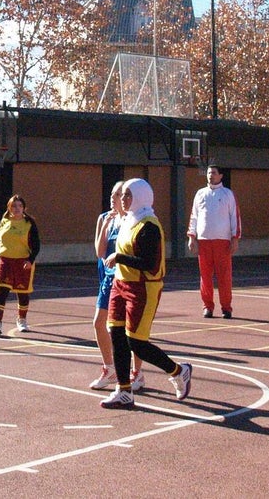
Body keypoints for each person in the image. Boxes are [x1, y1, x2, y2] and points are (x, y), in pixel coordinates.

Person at [100, 178, 192, 410]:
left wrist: (120, 258)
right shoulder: (127, 221)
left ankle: (179, 371)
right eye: (122, 195)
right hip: (120, 284)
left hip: (143, 287)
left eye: (128, 195)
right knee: (117, 335)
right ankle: (124, 390)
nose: (123, 199)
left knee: (137, 343)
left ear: (142, 196)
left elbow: (150, 264)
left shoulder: (149, 226)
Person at [89, 181, 144, 391]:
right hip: (107, 277)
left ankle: (137, 372)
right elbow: (99, 251)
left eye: (119, 194)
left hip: (125, 278)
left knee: (130, 328)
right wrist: (105, 224)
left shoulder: (132, 220)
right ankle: (109, 368)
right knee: (99, 323)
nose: (114, 197)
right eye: (112, 193)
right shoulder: (104, 218)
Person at [187, 163, 242, 319]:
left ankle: (226, 308)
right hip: (204, 241)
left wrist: (235, 238)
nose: (210, 175)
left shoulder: (228, 194)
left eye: (214, 173)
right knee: (205, 276)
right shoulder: (200, 194)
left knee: (224, 276)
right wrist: (192, 237)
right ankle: (207, 307)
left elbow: (235, 218)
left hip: (222, 242)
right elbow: (194, 216)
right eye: (209, 173)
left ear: (221, 176)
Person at [0, 195, 40, 337]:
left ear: (23, 208)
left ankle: (22, 319)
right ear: (9, 208)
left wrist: (30, 260)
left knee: (23, 292)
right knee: (1, 291)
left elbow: (36, 245)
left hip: (22, 261)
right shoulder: (4, 222)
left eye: (19, 206)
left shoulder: (29, 223)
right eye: (13, 206)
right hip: (4, 260)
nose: (16, 208)